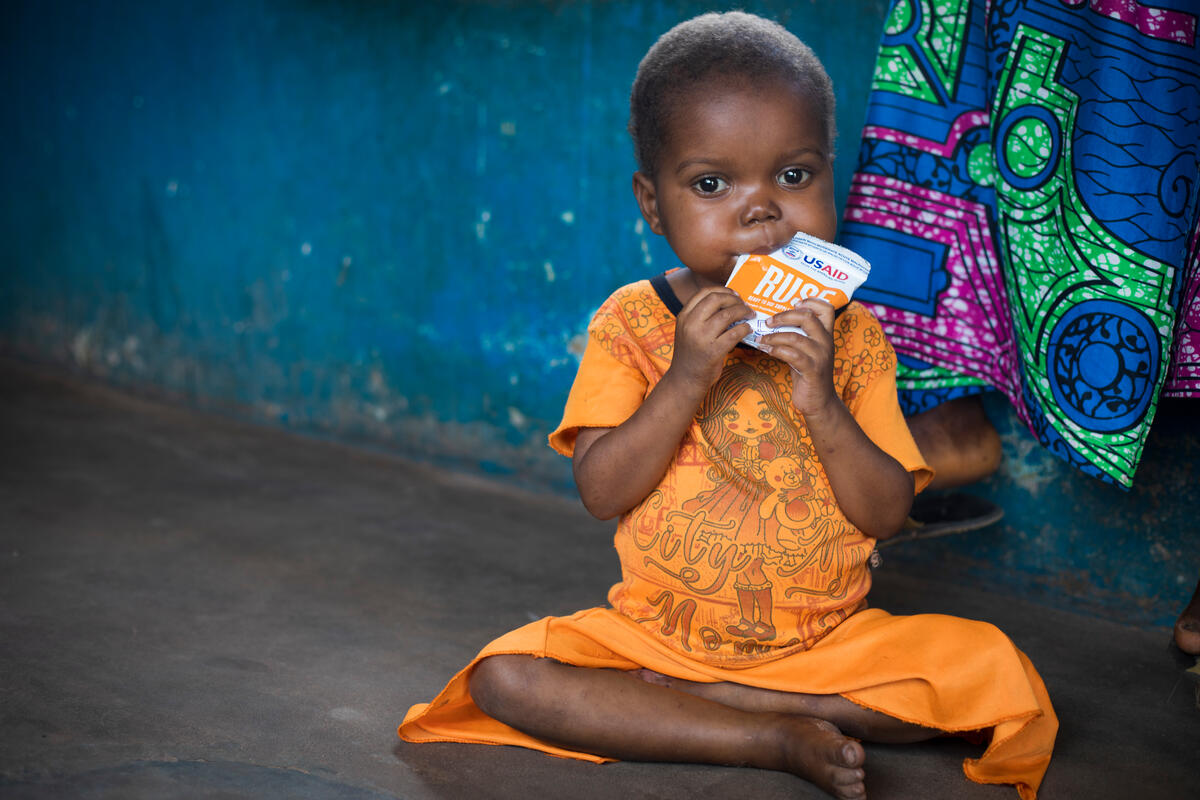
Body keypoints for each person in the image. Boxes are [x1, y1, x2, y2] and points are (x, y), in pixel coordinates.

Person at [399, 13, 1057, 800]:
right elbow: (601, 490)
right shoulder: (633, 324)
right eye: (713, 184)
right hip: (653, 637)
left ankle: (709, 707)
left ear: (830, 176)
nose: (761, 211)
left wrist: (820, 399)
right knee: (508, 678)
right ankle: (767, 734)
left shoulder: (852, 338)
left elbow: (884, 513)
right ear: (652, 202)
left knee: (991, 674)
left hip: (826, 644)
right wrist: (684, 376)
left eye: (794, 175)